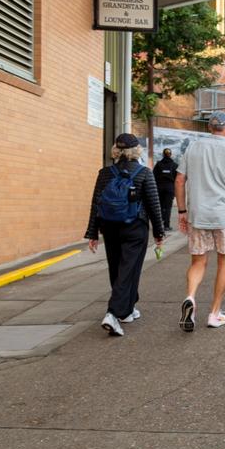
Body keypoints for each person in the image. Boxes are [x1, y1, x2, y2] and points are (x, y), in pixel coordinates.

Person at [174, 111, 225, 331]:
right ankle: (214, 313)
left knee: (198, 262)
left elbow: (180, 180)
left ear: (210, 127)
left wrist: (182, 211)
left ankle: (190, 297)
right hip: (224, 217)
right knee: (224, 262)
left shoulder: (193, 148)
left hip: (198, 215)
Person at [85, 133, 165, 337]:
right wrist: (159, 233)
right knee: (129, 269)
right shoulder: (144, 173)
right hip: (134, 227)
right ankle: (113, 313)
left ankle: (128, 309)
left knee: (116, 268)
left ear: (116, 150)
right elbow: (154, 205)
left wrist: (92, 232)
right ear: (136, 150)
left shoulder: (104, 173)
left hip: (109, 227)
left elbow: (96, 204)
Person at [153, 148, 179, 231]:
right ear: (170, 155)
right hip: (170, 188)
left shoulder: (158, 164)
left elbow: (154, 176)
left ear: (163, 154)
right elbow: (177, 179)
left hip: (159, 187)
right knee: (168, 207)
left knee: (159, 206)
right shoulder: (175, 165)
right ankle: (166, 225)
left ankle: (159, 225)